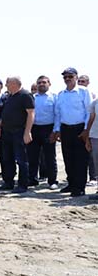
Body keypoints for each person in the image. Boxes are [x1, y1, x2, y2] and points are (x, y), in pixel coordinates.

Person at [54, 67, 91, 197]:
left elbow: (88, 112)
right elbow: (58, 114)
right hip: (66, 128)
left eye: (70, 76)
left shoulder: (83, 92)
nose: (67, 79)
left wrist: (86, 129)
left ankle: (80, 187)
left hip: (80, 128)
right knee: (68, 158)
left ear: (76, 77)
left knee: (80, 159)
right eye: (65, 77)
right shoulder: (61, 94)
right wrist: (57, 130)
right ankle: (71, 183)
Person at [0, 77, 35, 194]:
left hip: (19, 131)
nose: (6, 85)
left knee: (21, 159)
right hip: (7, 132)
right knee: (7, 158)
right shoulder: (9, 96)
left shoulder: (25, 95)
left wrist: (27, 132)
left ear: (14, 84)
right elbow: (5, 114)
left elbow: (31, 114)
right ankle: (8, 182)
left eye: (7, 83)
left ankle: (22, 184)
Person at [28, 76, 58, 190]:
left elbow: (57, 115)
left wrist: (55, 131)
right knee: (32, 156)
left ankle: (52, 181)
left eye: (44, 82)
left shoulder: (54, 97)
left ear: (49, 84)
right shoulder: (32, 97)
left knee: (50, 157)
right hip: (34, 128)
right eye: (39, 82)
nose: (41, 84)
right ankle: (32, 179)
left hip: (48, 129)